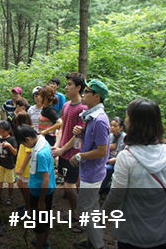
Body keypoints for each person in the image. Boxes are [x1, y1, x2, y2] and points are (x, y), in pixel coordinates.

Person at [102, 99, 166, 249]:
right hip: (161, 232)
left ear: (134, 123)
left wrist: (102, 215)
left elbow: (117, 195)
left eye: (127, 117)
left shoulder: (127, 156)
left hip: (132, 233)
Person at [69, 79, 110, 249]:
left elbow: (102, 151)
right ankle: (93, 240)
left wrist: (79, 157)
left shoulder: (100, 120)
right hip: (90, 171)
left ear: (97, 97)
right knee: (91, 208)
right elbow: (91, 141)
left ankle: (97, 245)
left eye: (87, 92)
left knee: (85, 209)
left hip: (93, 173)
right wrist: (80, 132)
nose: (83, 94)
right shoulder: (91, 117)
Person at [51, 72, 87, 224]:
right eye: (66, 84)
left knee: (69, 187)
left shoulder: (83, 108)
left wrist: (62, 149)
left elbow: (78, 135)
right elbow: (62, 128)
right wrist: (57, 147)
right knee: (67, 185)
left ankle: (81, 216)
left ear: (78, 87)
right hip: (63, 152)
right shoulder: (66, 105)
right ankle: (74, 214)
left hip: (74, 153)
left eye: (70, 85)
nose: (66, 87)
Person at [14, 124, 56, 249]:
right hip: (48, 189)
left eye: (23, 144)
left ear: (28, 139)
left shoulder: (40, 154)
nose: (25, 147)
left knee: (39, 223)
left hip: (40, 192)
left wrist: (41, 201)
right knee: (46, 218)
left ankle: (39, 246)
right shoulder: (43, 141)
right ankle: (44, 242)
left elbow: (45, 177)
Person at [13, 112, 33, 216]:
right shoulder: (22, 132)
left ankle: (29, 207)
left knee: (25, 186)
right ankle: (26, 203)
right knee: (20, 184)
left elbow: (29, 153)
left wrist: (21, 167)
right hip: (20, 163)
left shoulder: (28, 133)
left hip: (26, 166)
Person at [0, 120, 17, 206]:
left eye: (3, 132)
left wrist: (9, 146)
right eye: (0, 131)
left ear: (9, 130)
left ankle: (10, 196)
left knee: (10, 181)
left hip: (9, 165)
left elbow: (15, 152)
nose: (1, 133)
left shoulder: (12, 139)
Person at [100, 117, 126, 192]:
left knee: (108, 169)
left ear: (121, 127)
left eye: (115, 126)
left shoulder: (125, 138)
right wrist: (109, 147)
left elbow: (127, 153)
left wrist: (116, 159)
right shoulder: (109, 136)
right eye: (111, 125)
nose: (112, 128)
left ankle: (101, 189)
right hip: (108, 159)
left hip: (119, 161)